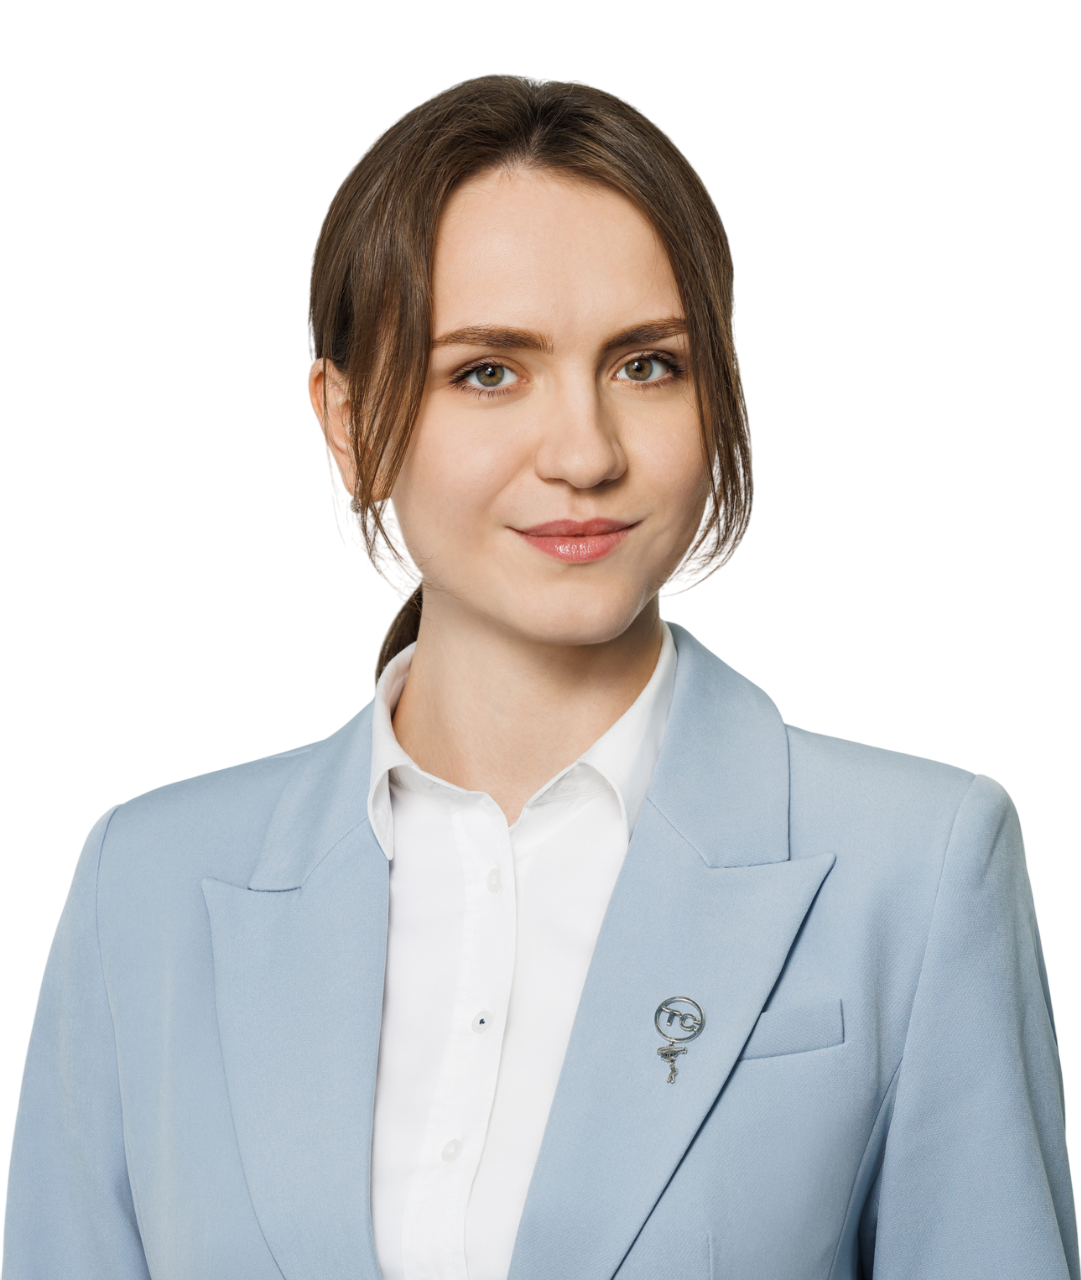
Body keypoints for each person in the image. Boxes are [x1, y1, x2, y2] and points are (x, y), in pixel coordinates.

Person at [3, 73, 1076, 1280]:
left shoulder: (919, 863)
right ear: (344, 425)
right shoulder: (143, 884)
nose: (584, 451)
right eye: (488, 371)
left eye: (646, 364)